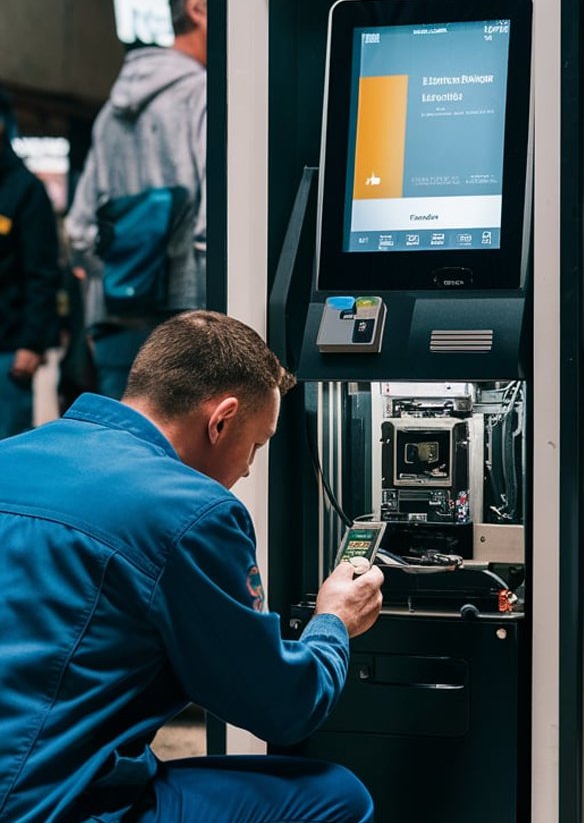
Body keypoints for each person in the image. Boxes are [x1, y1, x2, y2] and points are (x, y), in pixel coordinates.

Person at [0, 309, 383, 822]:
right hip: (49, 803)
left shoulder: (12, 454)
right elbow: (283, 707)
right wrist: (333, 621)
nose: (248, 467)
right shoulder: (191, 511)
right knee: (336, 796)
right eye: (256, 444)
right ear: (220, 420)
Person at [66, 0, 208, 399]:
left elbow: (78, 229)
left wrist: (113, 290)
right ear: (199, 9)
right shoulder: (202, 94)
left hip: (114, 318)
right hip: (188, 319)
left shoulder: (110, 112)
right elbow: (215, 217)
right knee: (181, 461)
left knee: (119, 451)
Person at [0, 89, 60, 438]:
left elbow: (42, 272)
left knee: (5, 452)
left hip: (9, 351)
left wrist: (32, 341)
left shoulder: (25, 190)